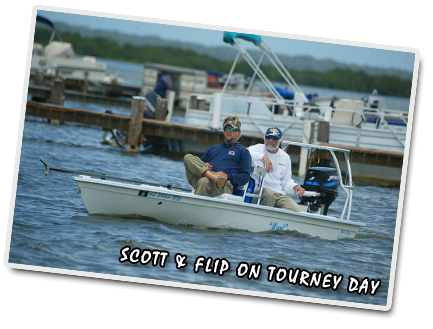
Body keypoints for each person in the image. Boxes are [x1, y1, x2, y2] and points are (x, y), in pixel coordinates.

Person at [183, 116, 252, 197]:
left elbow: (245, 178)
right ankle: (213, 178)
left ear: (239, 132)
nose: (229, 131)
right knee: (187, 157)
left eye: (232, 129)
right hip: (207, 178)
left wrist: (227, 176)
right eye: (226, 129)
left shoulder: (244, 152)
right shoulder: (213, 148)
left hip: (225, 185)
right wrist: (205, 165)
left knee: (204, 181)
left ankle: (194, 207)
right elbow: (199, 166)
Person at [248, 127, 305, 211]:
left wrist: (294, 187)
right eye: (268, 137)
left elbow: (286, 182)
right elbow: (244, 152)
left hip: (278, 194)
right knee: (268, 193)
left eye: (274, 138)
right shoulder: (257, 149)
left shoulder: (285, 157)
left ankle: (278, 224)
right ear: (264, 138)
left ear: (280, 141)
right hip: (259, 191)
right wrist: (263, 157)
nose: (270, 140)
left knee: (295, 209)